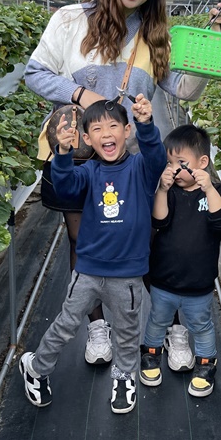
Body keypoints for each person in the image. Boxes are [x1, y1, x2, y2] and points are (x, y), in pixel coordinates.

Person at [24, 0, 221, 366]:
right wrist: (82, 95)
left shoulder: (155, 35)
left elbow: (182, 90)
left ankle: (156, 323)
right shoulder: (69, 21)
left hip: (131, 160)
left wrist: (210, 50)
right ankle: (96, 326)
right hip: (82, 153)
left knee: (142, 232)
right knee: (82, 238)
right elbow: (35, 73)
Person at [18, 95, 166, 414]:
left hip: (127, 276)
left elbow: (156, 156)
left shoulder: (141, 168)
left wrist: (148, 124)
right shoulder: (89, 173)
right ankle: (36, 368)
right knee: (66, 325)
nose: (106, 133)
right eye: (97, 128)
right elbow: (66, 187)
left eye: (114, 126)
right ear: (87, 139)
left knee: (127, 333)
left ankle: (124, 378)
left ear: (127, 131)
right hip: (87, 271)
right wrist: (61, 153)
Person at [139, 124, 221, 397]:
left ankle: (206, 367)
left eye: (181, 163)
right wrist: (160, 189)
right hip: (163, 280)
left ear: (202, 163)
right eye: (169, 163)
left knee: (202, 326)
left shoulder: (216, 194)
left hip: (199, 284)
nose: (174, 169)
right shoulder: (168, 192)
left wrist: (209, 188)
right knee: (157, 321)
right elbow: (159, 220)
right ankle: (150, 358)